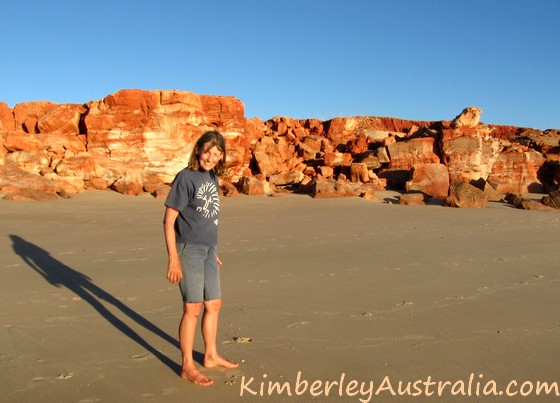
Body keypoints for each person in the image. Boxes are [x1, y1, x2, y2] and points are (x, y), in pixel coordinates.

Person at [163, 130, 238, 386]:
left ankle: (210, 355)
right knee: (192, 308)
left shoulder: (212, 176)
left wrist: (213, 251)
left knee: (214, 304)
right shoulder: (185, 177)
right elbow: (169, 219)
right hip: (188, 251)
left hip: (208, 250)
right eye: (207, 152)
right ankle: (187, 365)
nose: (210, 157)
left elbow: (207, 218)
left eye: (216, 154)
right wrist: (174, 258)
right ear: (198, 150)